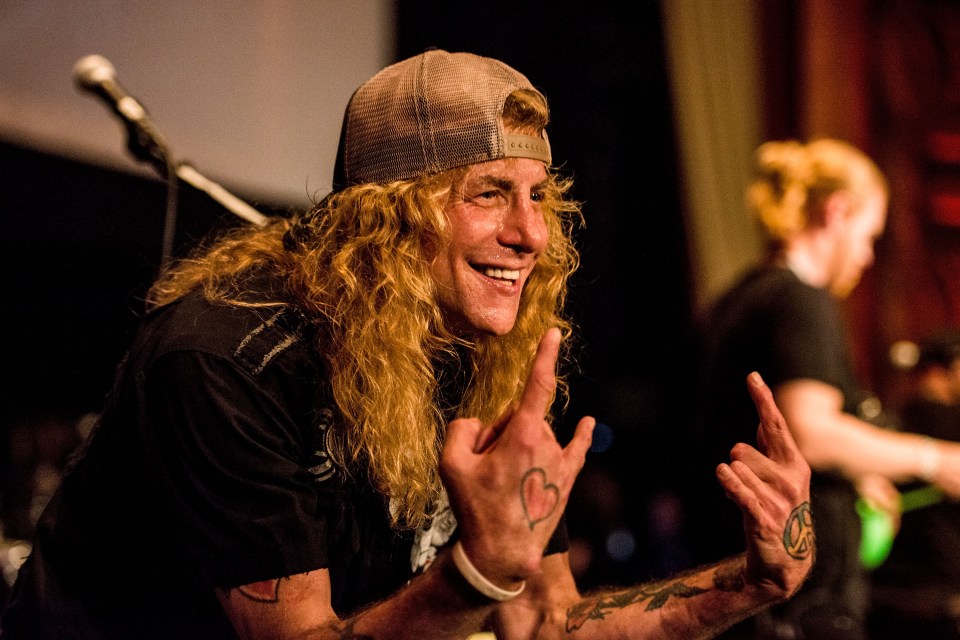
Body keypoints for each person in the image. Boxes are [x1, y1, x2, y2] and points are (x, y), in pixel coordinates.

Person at [1, 49, 813, 639]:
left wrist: (742, 585)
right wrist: (474, 575)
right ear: (386, 219)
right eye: (489, 194)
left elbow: (543, 622)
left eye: (538, 197)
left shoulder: (475, 346)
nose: (530, 234)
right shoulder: (226, 353)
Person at [690, 138, 960, 640]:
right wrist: (939, 461)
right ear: (836, 212)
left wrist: (859, 475)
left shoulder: (739, 297)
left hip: (745, 594)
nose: (868, 255)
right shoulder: (801, 301)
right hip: (800, 613)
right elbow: (809, 432)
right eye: (868, 235)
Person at [867, 328, 960, 639]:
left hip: (888, 591)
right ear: (939, 370)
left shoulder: (889, 424)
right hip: (938, 593)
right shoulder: (945, 424)